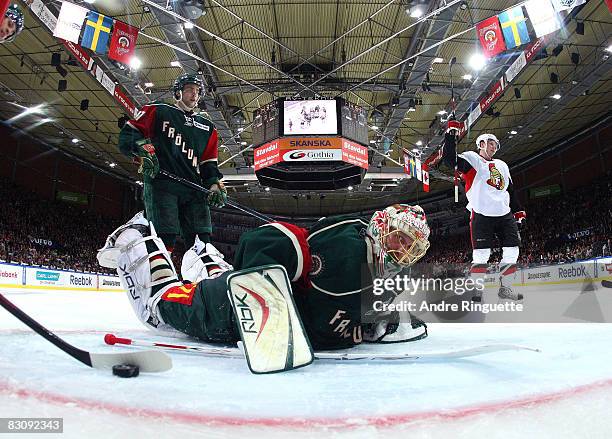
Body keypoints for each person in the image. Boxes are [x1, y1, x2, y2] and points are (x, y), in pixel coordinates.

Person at [97, 204, 431, 351]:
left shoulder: (384, 281)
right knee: (157, 306)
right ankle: (136, 236)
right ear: (382, 228)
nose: (405, 252)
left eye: (412, 247)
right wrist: (261, 311)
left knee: (229, 277)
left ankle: (201, 254)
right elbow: (263, 242)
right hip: (223, 311)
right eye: (401, 239)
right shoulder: (346, 250)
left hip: (231, 300)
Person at [117, 74, 227, 258]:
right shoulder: (157, 111)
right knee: (164, 236)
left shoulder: (207, 127)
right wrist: (144, 150)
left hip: (194, 188)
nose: (195, 94)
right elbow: (129, 135)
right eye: (190, 89)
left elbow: (209, 162)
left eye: (198, 91)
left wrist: (214, 183)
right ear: (178, 93)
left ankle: (200, 284)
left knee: (202, 239)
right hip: (163, 183)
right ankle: (157, 280)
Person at [437, 120, 526, 301]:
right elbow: (449, 160)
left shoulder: (502, 165)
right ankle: (477, 290)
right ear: (482, 144)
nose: (494, 147)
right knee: (481, 254)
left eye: (496, 145)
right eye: (491, 143)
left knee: (512, 250)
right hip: (481, 214)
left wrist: (519, 213)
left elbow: (510, 190)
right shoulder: (473, 160)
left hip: (504, 214)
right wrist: (451, 135)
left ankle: (505, 288)